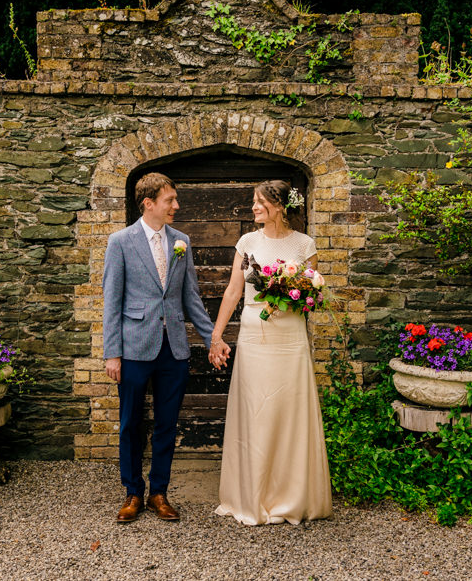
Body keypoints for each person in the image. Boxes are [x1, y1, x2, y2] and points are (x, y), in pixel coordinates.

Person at [102, 172, 230, 523]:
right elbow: (111, 301)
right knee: (130, 423)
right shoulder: (120, 242)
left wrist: (212, 340)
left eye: (174, 199)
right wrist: (112, 352)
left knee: (167, 423)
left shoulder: (182, 241)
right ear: (149, 203)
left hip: (173, 349)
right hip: (133, 349)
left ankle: (159, 492)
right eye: (170, 200)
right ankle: (133, 493)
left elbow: (191, 298)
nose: (176, 205)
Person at [209, 180, 333, 525]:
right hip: (254, 333)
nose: (254, 208)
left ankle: (291, 495)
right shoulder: (247, 242)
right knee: (256, 410)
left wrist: (294, 290)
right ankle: (252, 495)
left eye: (259, 202)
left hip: (289, 337)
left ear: (279, 206)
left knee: (289, 410)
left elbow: (313, 294)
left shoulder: (304, 244)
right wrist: (217, 334)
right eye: (254, 202)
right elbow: (234, 291)